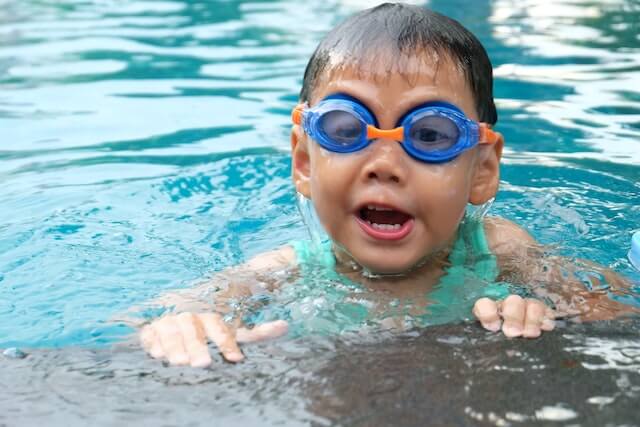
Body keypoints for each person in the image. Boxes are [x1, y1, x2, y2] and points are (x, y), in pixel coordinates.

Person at [139, 3, 636, 368]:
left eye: (429, 135)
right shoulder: (284, 270)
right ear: (304, 161)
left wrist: (542, 318)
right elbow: (171, 313)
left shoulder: (500, 250)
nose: (385, 165)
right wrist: (182, 326)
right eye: (345, 129)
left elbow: (612, 315)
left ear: (481, 171)